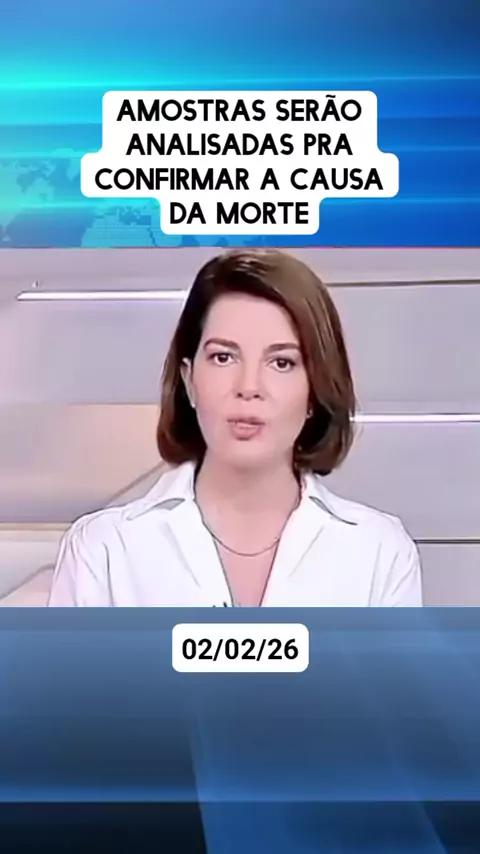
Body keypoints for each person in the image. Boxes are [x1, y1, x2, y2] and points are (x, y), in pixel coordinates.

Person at [48, 248, 422, 607]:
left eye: (281, 363)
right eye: (223, 357)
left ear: (315, 390)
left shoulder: (378, 554)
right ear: (189, 379)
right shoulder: (105, 551)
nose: (249, 387)